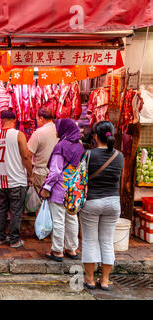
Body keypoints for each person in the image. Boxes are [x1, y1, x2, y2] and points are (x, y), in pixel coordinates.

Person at [80, 121, 124, 291]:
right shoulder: (119, 156)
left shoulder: (88, 155)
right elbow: (119, 178)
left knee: (90, 241)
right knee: (107, 241)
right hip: (113, 202)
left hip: (92, 202)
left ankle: (90, 280)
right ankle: (105, 281)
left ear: (95, 136)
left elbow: (80, 180)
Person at [40, 119, 84, 262]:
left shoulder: (61, 146)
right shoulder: (80, 147)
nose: (56, 131)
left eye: (58, 128)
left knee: (58, 220)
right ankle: (71, 249)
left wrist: (47, 187)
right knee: (72, 219)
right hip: (73, 189)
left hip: (59, 188)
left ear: (65, 129)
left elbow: (55, 171)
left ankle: (57, 250)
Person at [0, 110, 33, 248]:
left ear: (0, 120)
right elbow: (26, 157)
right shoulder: (19, 135)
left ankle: (0, 237)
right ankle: (14, 240)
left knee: (2, 209)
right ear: (14, 121)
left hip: (1, 181)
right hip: (16, 180)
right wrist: (31, 174)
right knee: (16, 211)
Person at [27, 106, 59, 195]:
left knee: (41, 204)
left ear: (41, 118)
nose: (37, 122)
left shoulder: (38, 133)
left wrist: (29, 175)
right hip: (57, 174)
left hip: (41, 174)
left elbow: (27, 155)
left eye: (37, 119)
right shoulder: (59, 130)